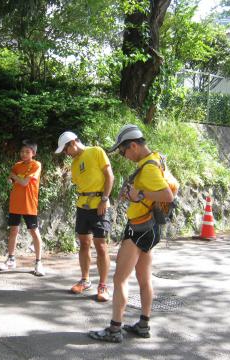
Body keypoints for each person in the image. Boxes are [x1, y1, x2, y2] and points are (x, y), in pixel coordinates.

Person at [89, 124, 174, 342]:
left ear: (134, 145)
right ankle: (144, 325)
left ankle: (114, 330)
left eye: (123, 151)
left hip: (139, 227)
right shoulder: (155, 158)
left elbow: (167, 195)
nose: (123, 155)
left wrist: (139, 193)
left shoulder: (149, 168)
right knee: (144, 278)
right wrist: (133, 193)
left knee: (119, 279)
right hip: (151, 227)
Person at [55, 131, 114, 302]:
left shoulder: (96, 151)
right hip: (82, 206)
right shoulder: (74, 164)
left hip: (100, 204)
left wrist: (104, 199)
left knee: (101, 245)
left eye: (66, 150)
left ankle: (103, 285)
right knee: (84, 244)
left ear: (72, 143)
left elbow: (109, 176)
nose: (66, 154)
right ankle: (85, 279)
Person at [0, 139, 45, 276]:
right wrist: (11, 178)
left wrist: (13, 176)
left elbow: (24, 182)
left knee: (34, 232)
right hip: (15, 204)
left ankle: (38, 262)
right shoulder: (17, 165)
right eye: (22, 151)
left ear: (33, 153)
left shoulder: (36, 165)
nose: (24, 154)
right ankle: (11, 259)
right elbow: (11, 180)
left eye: (27, 152)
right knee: (13, 232)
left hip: (29, 204)